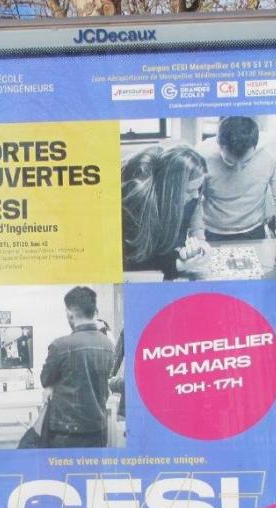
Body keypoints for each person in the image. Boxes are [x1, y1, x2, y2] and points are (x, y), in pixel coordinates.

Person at [194, 116, 276, 264]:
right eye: (229, 162)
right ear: (219, 144)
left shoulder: (273, 148)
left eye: (246, 162)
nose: (238, 170)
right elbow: (195, 200)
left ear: (255, 145)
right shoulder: (201, 153)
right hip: (211, 233)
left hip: (254, 231)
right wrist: (198, 238)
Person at [38, 287, 115, 448]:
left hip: (66, 433)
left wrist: (51, 385)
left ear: (70, 314)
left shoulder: (60, 346)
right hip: (98, 430)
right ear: (94, 311)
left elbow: (45, 379)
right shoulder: (108, 345)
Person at [122, 145, 211, 280]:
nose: (196, 196)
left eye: (198, 189)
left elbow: (196, 206)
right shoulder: (139, 203)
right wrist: (179, 265)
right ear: (170, 190)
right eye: (189, 191)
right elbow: (132, 263)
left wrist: (200, 242)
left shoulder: (190, 195)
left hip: (166, 257)